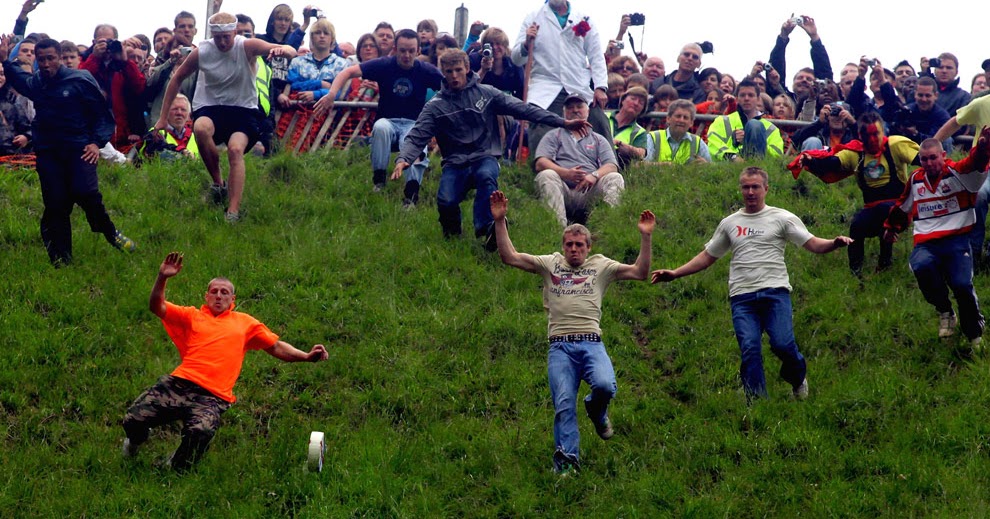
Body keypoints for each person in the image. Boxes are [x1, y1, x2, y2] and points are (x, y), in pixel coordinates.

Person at [489, 190, 654, 475]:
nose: (574, 249)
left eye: (579, 245)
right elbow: (510, 257)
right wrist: (500, 220)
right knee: (564, 404)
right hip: (560, 347)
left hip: (591, 344)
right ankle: (567, 462)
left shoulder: (601, 266)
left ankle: (596, 411)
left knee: (604, 386)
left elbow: (640, 272)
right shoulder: (550, 263)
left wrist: (646, 236)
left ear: (589, 247)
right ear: (563, 246)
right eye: (569, 245)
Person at [652, 167, 852, 400]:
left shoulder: (782, 218)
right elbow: (707, 256)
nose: (750, 192)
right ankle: (757, 404)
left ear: (766, 189)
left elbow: (813, 244)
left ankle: (797, 378)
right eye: (745, 187)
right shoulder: (730, 223)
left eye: (755, 187)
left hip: (775, 293)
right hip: (742, 297)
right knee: (749, 349)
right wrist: (675, 273)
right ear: (740, 189)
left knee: (783, 344)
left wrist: (835, 243)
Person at [121, 252, 329, 471]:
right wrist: (162, 277)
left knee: (200, 433)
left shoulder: (245, 323)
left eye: (224, 292)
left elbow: (275, 346)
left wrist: (306, 356)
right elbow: (157, 306)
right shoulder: (192, 316)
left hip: (212, 397)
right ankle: (134, 443)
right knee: (132, 419)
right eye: (214, 292)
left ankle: (174, 466)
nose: (219, 296)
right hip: (178, 384)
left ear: (232, 299)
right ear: (206, 296)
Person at [393, 50, 590, 244]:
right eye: (449, 71)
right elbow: (417, 135)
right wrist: (404, 159)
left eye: (458, 70)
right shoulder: (435, 106)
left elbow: (524, 109)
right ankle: (452, 237)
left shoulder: (486, 93)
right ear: (442, 72)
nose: (454, 76)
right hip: (454, 163)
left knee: (486, 176)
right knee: (446, 201)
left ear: (468, 68)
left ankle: (488, 229)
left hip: (484, 156)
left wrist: (562, 122)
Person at [0, 36, 136, 266]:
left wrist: (96, 142)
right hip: (49, 153)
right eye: (41, 59)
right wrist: (5, 59)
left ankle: (109, 231)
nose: (45, 64)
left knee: (86, 193)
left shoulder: (80, 80)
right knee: (55, 204)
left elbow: (103, 117)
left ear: (60, 58)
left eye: (50, 58)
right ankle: (61, 260)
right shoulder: (37, 84)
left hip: (80, 149)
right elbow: (18, 77)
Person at [155, 12, 297, 222]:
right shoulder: (202, 51)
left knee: (235, 149)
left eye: (226, 37)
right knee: (201, 129)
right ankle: (218, 183)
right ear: (212, 34)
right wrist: (162, 118)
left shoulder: (246, 46)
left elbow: (291, 51)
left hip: (243, 110)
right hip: (211, 106)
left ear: (233, 32)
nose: (222, 42)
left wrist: (282, 50)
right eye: (218, 37)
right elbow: (176, 79)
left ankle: (233, 211)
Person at [882, 129, 990, 347]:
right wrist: (891, 228)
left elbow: (974, 163)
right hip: (926, 243)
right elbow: (902, 207)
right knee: (921, 266)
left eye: (933, 158)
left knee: (961, 285)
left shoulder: (957, 172)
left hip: (957, 241)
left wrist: (984, 146)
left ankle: (974, 333)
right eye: (924, 159)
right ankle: (945, 311)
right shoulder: (916, 180)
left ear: (943, 155)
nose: (929, 163)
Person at [314, 29, 442, 199]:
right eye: (402, 50)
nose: (407, 55)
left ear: (418, 51)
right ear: (395, 49)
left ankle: (411, 195)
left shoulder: (427, 71)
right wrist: (331, 94)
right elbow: (348, 72)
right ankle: (379, 181)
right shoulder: (384, 65)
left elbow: (451, 88)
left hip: (413, 125)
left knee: (413, 141)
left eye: (411, 51)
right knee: (380, 126)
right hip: (388, 121)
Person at [795, 111, 919, 276]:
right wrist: (811, 160)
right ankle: (855, 272)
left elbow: (925, 160)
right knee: (856, 226)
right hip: (872, 208)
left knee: (885, 211)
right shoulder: (855, 153)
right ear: (860, 135)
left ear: (883, 131)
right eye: (868, 136)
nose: (873, 140)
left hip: (899, 207)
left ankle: (885, 261)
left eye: (876, 134)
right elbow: (832, 163)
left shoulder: (896, 145)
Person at [511, 0, 611, 153]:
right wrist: (526, 43)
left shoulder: (584, 18)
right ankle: (542, 170)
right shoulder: (533, 18)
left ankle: (611, 169)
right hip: (545, 86)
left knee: (599, 121)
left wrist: (600, 87)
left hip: (578, 85)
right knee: (541, 128)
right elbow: (517, 59)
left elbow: (596, 55)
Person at [534, 94, 623, 227]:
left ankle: (605, 228)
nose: (575, 110)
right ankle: (557, 230)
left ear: (587, 111)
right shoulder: (554, 135)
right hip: (563, 190)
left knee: (615, 178)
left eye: (579, 106)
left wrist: (594, 176)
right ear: (564, 113)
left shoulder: (598, 139)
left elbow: (612, 166)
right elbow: (540, 163)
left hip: (589, 192)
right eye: (570, 107)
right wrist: (565, 173)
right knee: (546, 175)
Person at [935, 95, 990, 262]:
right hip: (983, 167)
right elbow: (955, 122)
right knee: (978, 194)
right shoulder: (982, 104)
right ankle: (974, 251)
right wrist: (933, 145)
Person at [79, 24, 146, 148]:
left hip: (121, 132)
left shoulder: (121, 63)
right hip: (91, 132)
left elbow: (139, 87)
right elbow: (80, 82)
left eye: (109, 42)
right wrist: (94, 57)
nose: (105, 46)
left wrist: (124, 61)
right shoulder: (85, 59)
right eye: (101, 42)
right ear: (93, 42)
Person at [707, 79, 784, 161]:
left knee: (754, 125)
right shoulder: (722, 121)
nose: (746, 98)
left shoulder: (771, 129)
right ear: (736, 98)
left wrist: (750, 140)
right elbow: (713, 144)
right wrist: (733, 157)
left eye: (751, 95)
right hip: (728, 170)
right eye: (742, 95)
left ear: (758, 99)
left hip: (760, 171)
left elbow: (777, 155)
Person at [645, 99, 710, 164]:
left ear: (691, 123)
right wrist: (661, 166)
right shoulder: (653, 138)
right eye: (678, 116)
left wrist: (705, 165)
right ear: (668, 119)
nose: (681, 120)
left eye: (685, 118)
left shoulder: (698, 142)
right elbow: (643, 165)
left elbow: (711, 168)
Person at [141, 94, 198, 159]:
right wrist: (181, 151)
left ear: (189, 115)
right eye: (175, 109)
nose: (179, 113)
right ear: (165, 113)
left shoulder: (197, 135)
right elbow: (153, 149)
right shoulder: (156, 133)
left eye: (183, 110)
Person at [608, 86, 648, 170]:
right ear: (623, 100)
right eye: (633, 99)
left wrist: (621, 144)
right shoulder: (604, 117)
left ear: (642, 110)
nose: (636, 103)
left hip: (617, 167)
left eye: (641, 102)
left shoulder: (640, 131)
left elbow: (641, 153)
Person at [0, 64, 31, 156]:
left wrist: (26, 137)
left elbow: (27, 127)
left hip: (13, 156)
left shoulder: (12, 102)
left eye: (1, 74)